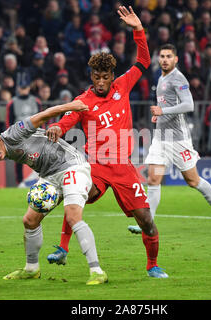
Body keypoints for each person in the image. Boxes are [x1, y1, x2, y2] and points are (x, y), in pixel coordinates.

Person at [46, 6, 168, 279]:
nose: (100, 82)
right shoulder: (84, 100)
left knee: (146, 220)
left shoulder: (123, 85)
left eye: (105, 77)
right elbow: (66, 119)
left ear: (112, 76)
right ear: (91, 76)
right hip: (95, 165)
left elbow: (145, 60)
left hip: (122, 166)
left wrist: (138, 30)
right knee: (76, 199)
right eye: (96, 77)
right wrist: (56, 126)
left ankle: (152, 265)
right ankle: (63, 249)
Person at [0, 99, 108, 285]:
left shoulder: (14, 133)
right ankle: (31, 269)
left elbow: (44, 115)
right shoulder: (4, 149)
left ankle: (97, 271)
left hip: (71, 166)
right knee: (29, 220)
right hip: (50, 175)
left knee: (73, 216)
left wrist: (72, 106)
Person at [127, 44, 211, 235]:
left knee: (192, 180)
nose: (165, 59)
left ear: (176, 59)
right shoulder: (161, 77)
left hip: (177, 139)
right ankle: (148, 222)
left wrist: (162, 111)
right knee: (153, 178)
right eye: (162, 56)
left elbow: (188, 104)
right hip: (160, 138)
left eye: (168, 56)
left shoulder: (178, 78)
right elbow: (167, 103)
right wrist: (159, 115)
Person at [5, 73, 42, 186]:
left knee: (39, 157)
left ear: (29, 88)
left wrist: (42, 133)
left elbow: (42, 116)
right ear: (18, 89)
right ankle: (20, 182)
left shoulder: (36, 101)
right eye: (22, 88)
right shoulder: (12, 102)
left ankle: (40, 180)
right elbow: (9, 120)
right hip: (19, 135)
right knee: (19, 158)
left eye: (25, 88)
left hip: (35, 133)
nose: (24, 90)